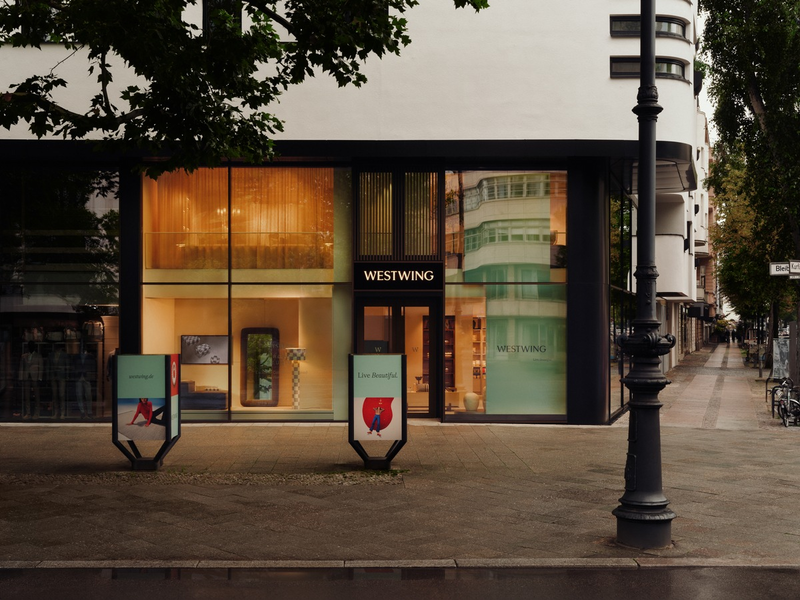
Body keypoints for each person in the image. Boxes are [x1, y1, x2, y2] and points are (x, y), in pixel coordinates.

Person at [18, 341, 44, 420]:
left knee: (36, 396)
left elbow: (41, 367)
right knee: (27, 396)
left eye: (32, 346)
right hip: (27, 377)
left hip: (35, 377)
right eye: (29, 346)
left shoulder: (38, 356)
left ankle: (37, 412)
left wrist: (40, 377)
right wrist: (21, 377)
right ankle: (28, 412)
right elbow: (21, 367)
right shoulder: (24, 356)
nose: (30, 347)